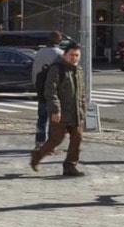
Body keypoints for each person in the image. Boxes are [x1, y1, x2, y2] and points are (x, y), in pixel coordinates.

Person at [29, 42, 86, 177]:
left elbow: (81, 92)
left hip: (76, 112)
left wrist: (83, 109)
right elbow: (51, 91)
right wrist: (56, 110)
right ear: (65, 55)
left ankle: (70, 166)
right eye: (71, 55)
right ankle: (37, 155)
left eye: (77, 55)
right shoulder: (57, 69)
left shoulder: (78, 70)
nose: (74, 58)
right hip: (60, 112)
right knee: (56, 139)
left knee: (77, 138)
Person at [30, 31, 63, 145]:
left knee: (42, 118)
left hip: (41, 89)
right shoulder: (60, 54)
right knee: (55, 118)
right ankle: (51, 143)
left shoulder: (40, 52)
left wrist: (36, 85)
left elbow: (34, 70)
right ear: (59, 41)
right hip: (55, 91)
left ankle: (39, 141)